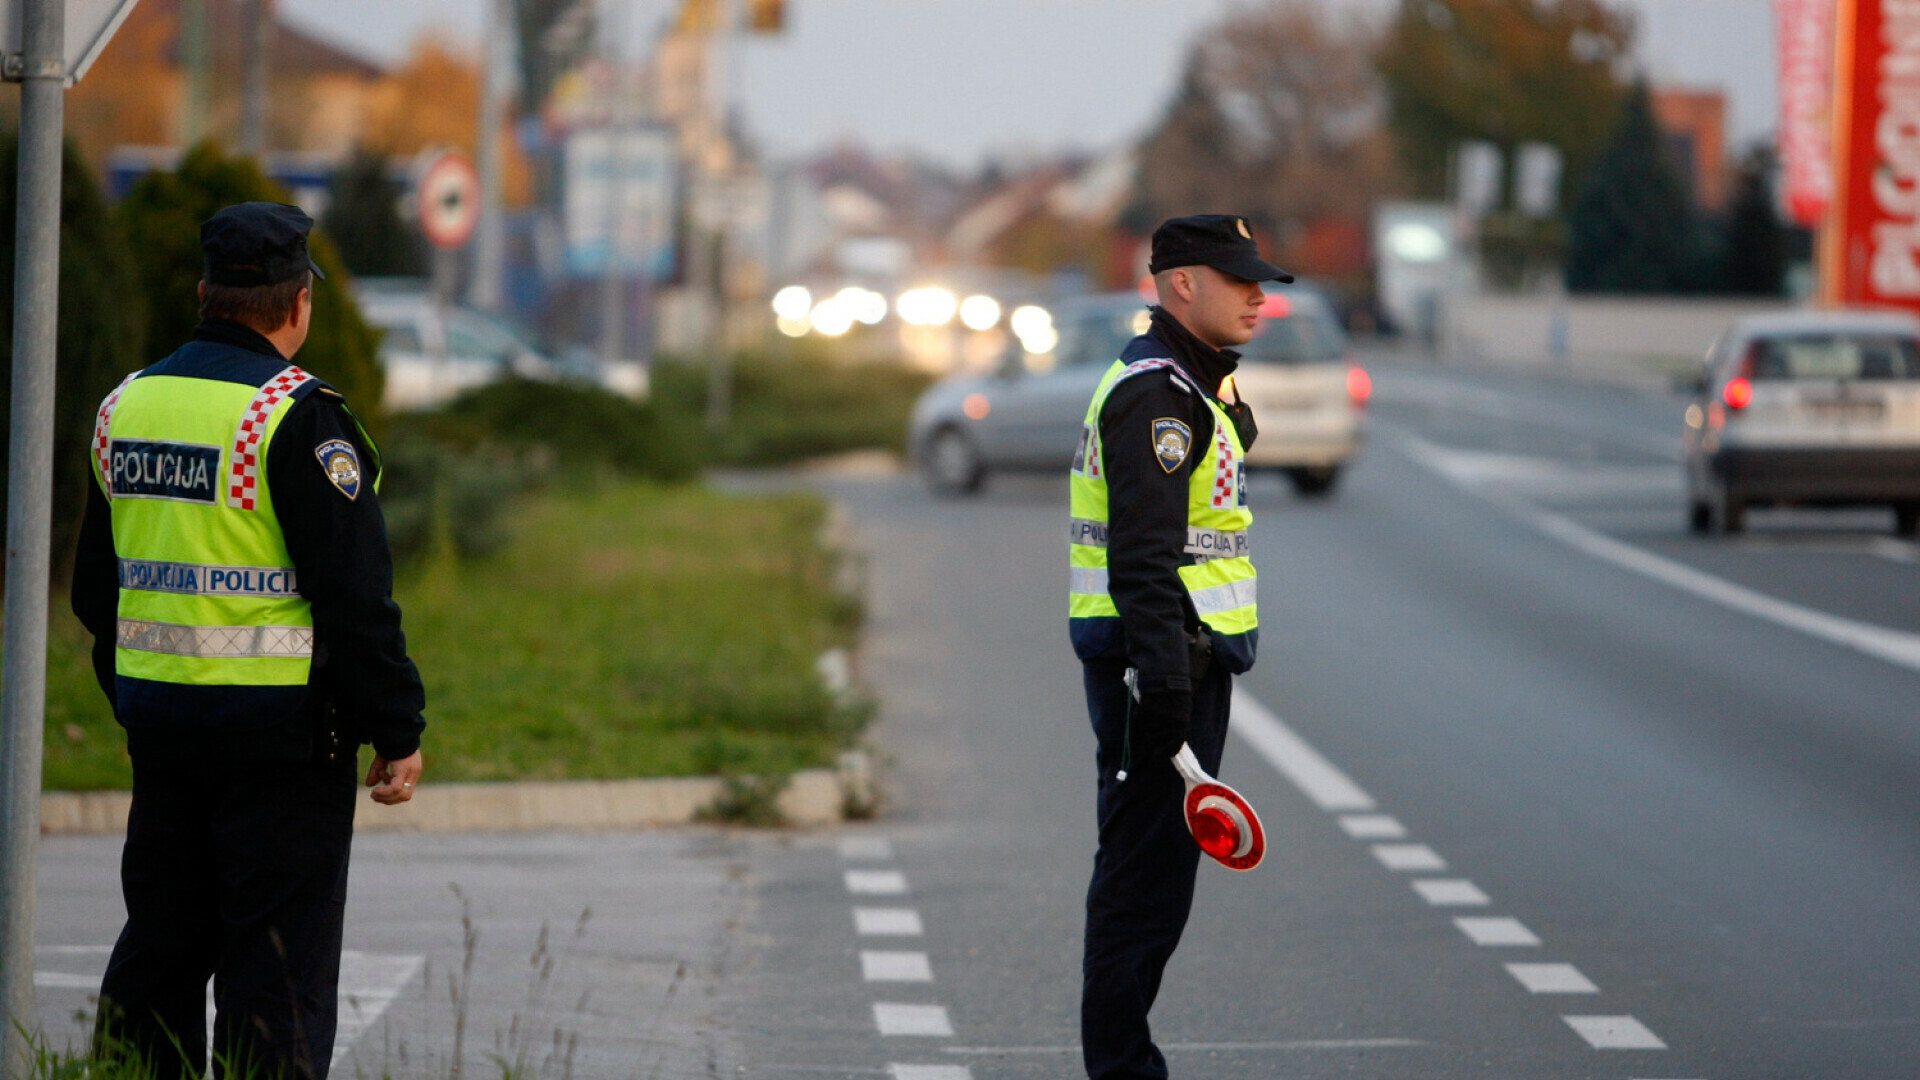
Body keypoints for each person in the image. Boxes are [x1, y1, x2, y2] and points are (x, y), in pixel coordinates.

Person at [70, 201, 427, 1079]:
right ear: (299, 303)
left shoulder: (128, 406)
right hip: (282, 751)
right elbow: (356, 599)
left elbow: (93, 588)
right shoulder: (294, 419)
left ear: (203, 294)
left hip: (160, 734)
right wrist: (398, 728)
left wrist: (141, 694)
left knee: (157, 960)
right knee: (274, 985)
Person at [1068, 214, 1289, 1079]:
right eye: (1240, 280)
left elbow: (1222, 467)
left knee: (1158, 889)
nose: (1259, 296)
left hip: (1177, 666)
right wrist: (1162, 690)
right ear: (1183, 283)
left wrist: (1221, 380)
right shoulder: (1154, 396)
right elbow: (1143, 558)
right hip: (1156, 672)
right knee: (1138, 891)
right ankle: (1123, 1071)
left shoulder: (1188, 384)